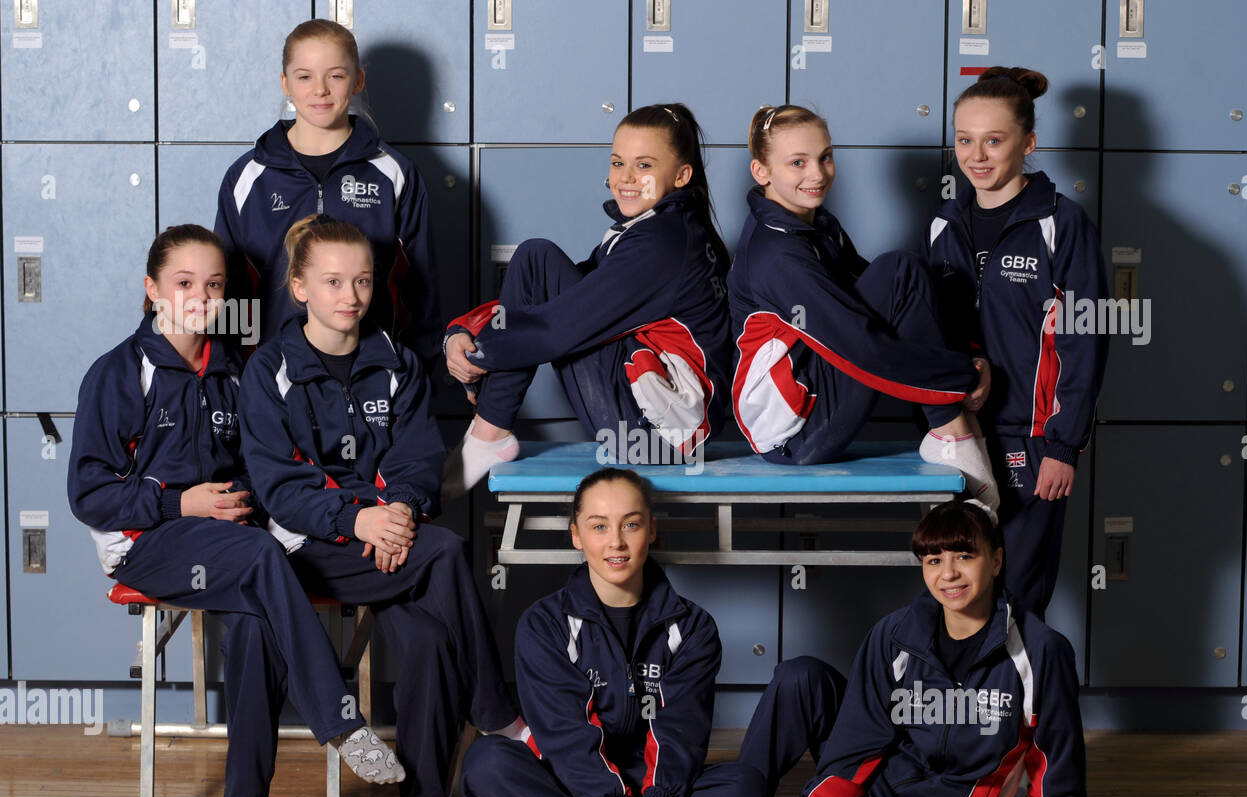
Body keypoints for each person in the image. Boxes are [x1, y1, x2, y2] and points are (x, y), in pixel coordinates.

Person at [68, 224, 403, 797]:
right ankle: (338, 719)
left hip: (228, 542)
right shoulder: (117, 373)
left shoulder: (233, 371)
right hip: (149, 543)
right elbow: (89, 492)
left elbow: (260, 466)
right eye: (184, 283)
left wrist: (242, 505)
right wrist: (180, 502)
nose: (200, 296)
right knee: (262, 560)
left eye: (214, 284)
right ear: (151, 290)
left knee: (254, 623)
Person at [238, 215, 525, 797]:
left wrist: (399, 508)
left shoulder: (395, 360)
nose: (351, 295)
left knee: (425, 638)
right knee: (447, 550)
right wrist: (356, 519)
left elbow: (419, 457)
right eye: (333, 281)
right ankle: (499, 710)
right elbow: (281, 486)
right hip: (305, 552)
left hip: (387, 539)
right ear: (300, 286)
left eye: (363, 280)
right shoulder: (269, 371)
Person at [792, 501, 1143, 797]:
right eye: (933, 561)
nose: (949, 574)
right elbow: (861, 735)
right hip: (892, 784)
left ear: (995, 561)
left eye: (964, 556)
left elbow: (1052, 753)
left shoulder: (1041, 650)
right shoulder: (895, 635)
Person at [460, 468, 767, 797]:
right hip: (571, 778)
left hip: (650, 780)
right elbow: (567, 738)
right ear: (576, 536)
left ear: (651, 530)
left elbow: (680, 731)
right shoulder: (544, 624)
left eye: (631, 524)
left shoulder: (692, 627)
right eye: (599, 526)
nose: (616, 542)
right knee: (486, 764)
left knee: (746, 789)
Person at [440, 103, 732, 497]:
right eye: (617, 163)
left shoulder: (663, 242)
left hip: (654, 438)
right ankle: (488, 431)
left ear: (681, 175)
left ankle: (488, 431)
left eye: (644, 166)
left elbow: (558, 327)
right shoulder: (660, 229)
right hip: (661, 432)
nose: (626, 178)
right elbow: (563, 295)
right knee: (537, 261)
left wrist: (479, 356)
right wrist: (465, 330)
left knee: (535, 258)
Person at [727, 104, 998, 514]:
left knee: (907, 272)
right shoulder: (776, 252)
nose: (817, 174)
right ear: (762, 172)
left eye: (825, 157)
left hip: (815, 395)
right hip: (792, 434)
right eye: (797, 163)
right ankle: (952, 430)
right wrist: (959, 377)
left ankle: (952, 429)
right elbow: (860, 346)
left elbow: (892, 300)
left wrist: (969, 354)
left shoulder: (817, 226)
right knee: (900, 270)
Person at [922, 67, 1109, 615]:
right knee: (957, 599)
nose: (977, 155)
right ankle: (971, 701)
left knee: (1019, 599)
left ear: (1028, 143)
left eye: (995, 140)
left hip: (1031, 441)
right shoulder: (943, 224)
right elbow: (933, 331)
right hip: (958, 438)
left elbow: (1086, 339)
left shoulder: (1061, 224)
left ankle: (1022, 702)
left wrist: (1063, 446)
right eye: (965, 139)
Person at [215, 18, 441, 362]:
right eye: (304, 76)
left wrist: (418, 378)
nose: (320, 90)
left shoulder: (393, 173)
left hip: (372, 376)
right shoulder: (247, 177)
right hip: (272, 376)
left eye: (335, 75)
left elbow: (421, 290)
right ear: (285, 83)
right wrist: (231, 382)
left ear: (357, 80)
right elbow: (227, 289)